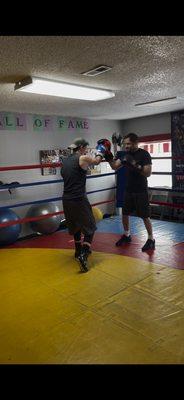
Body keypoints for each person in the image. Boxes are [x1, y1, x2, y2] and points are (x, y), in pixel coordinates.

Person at [60, 137, 109, 272]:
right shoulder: (82, 158)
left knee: (75, 226)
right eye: (85, 148)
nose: (86, 151)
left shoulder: (64, 161)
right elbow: (97, 161)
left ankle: (77, 251)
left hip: (66, 199)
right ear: (81, 147)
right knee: (90, 227)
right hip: (78, 199)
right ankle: (84, 254)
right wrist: (101, 150)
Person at [105, 133, 155, 251]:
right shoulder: (125, 155)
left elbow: (148, 173)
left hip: (141, 190)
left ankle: (151, 239)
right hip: (128, 189)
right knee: (125, 213)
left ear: (135, 143)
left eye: (128, 144)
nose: (126, 146)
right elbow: (115, 166)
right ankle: (127, 235)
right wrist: (108, 157)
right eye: (124, 144)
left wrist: (136, 166)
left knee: (145, 216)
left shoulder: (144, 154)